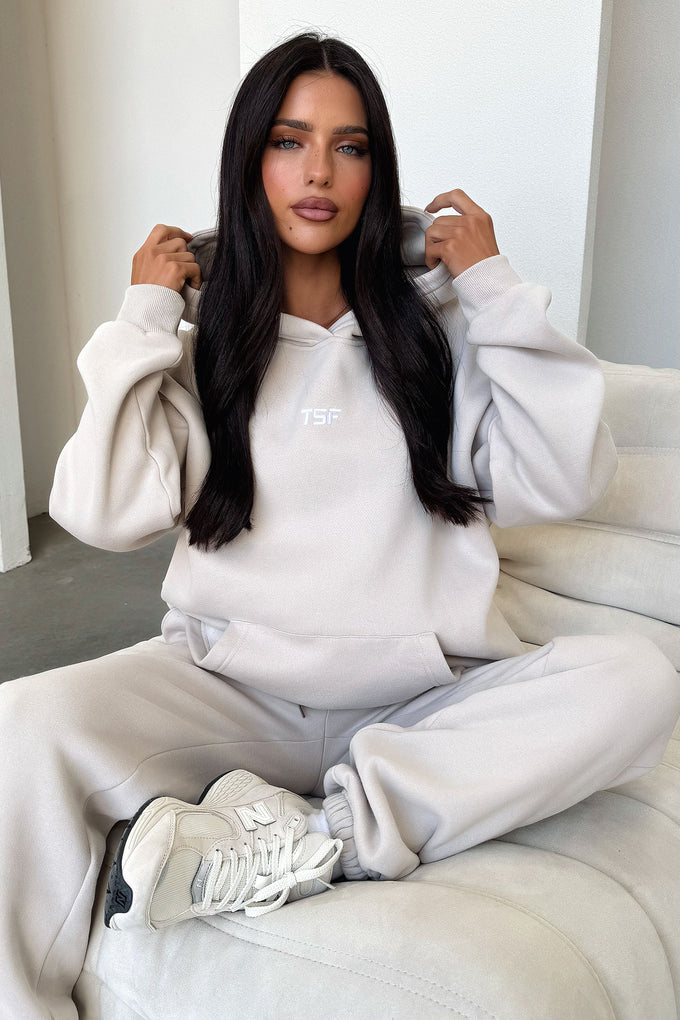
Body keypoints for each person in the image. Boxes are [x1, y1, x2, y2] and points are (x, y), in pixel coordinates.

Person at [2, 30, 678, 1019]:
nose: (318, 171)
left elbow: (564, 477)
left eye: (348, 146)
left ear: (375, 169)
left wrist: (493, 287)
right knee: (21, 722)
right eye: (289, 141)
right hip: (228, 693)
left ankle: (322, 837)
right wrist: (144, 314)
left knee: (634, 680)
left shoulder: (439, 333)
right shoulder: (200, 344)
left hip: (420, 702)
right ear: (250, 161)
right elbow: (101, 514)